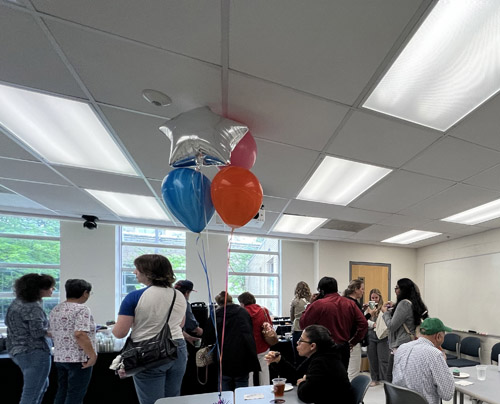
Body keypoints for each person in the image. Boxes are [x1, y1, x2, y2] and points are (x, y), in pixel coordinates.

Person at [112, 254, 187, 404]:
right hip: (178, 348)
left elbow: (120, 333)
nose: (134, 272)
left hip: (148, 351)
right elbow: (180, 324)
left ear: (148, 272)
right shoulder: (178, 295)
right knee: (173, 399)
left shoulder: (134, 296)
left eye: (137, 269)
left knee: (151, 400)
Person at [265, 325, 355, 404]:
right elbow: (296, 376)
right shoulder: (321, 355)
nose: (297, 343)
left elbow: (306, 395)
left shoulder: (323, 362)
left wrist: (303, 382)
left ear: (312, 346)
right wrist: (279, 360)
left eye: (301, 340)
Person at [5, 273, 56, 404]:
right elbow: (37, 332)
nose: (53, 289)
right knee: (32, 394)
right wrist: (56, 332)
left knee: (41, 385)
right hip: (34, 352)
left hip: (17, 350)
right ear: (40, 289)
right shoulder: (33, 307)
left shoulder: (17, 302)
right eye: (50, 287)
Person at [300, 277, 367, 370]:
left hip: (324, 349)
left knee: (323, 376)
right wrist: (353, 341)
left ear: (321, 291)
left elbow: (303, 324)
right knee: (341, 375)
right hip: (343, 347)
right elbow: (363, 324)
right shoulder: (350, 303)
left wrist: (310, 305)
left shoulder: (317, 305)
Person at [49, 279, 97, 404]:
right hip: (78, 358)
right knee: (75, 394)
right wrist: (92, 355)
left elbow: (51, 332)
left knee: (62, 391)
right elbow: (80, 334)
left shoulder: (56, 309)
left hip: (60, 357)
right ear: (85, 293)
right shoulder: (82, 309)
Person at [203, 291, 260, 390]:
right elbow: (249, 332)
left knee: (224, 387)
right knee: (241, 389)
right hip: (242, 357)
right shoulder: (243, 312)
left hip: (224, 357)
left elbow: (208, 338)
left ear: (219, 303)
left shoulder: (216, 314)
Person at [392, 318, 455, 404]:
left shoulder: (402, 347)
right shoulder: (435, 354)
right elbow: (447, 395)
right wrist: (443, 363)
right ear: (438, 336)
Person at [381, 277, 429, 382]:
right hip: (409, 344)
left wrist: (386, 313)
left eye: (397, 288)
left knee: (390, 378)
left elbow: (392, 326)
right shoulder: (413, 302)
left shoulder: (404, 304)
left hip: (401, 345)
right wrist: (395, 308)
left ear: (403, 290)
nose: (395, 290)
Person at [238, 291, 273, 386]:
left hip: (248, 347)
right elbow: (270, 325)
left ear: (242, 303)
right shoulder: (264, 310)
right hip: (263, 345)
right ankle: (265, 390)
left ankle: (249, 392)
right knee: (264, 371)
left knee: (249, 374)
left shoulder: (241, 312)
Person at [342, 279, 366, 381]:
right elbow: (361, 324)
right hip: (352, 341)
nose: (363, 291)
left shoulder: (343, 301)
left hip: (342, 340)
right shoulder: (354, 304)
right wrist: (369, 314)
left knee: (344, 370)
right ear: (356, 289)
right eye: (362, 289)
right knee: (353, 372)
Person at [365, 288, 389, 386]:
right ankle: (375, 379)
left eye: (376, 297)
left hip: (382, 336)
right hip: (371, 335)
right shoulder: (368, 308)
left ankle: (385, 379)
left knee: (383, 359)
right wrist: (373, 324)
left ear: (380, 298)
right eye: (372, 298)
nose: (374, 300)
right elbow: (364, 320)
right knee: (372, 358)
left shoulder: (384, 308)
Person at [174, 279, 203, 346]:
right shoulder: (184, 303)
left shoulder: (170, 300)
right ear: (187, 292)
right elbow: (189, 319)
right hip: (177, 339)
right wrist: (197, 329)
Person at [290, 281, 311, 365]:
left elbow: (292, 317)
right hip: (308, 329)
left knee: (298, 355)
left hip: (297, 328)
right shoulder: (311, 301)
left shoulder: (295, 301)